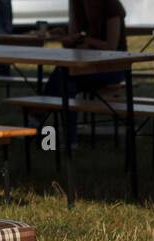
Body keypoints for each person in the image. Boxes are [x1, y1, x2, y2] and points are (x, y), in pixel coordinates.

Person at [41, 0, 128, 143]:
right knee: (66, 81)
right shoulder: (78, 5)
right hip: (87, 66)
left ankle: (39, 117)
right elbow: (74, 44)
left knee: (64, 76)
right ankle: (68, 138)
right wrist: (65, 37)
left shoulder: (111, 6)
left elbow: (111, 47)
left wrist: (86, 40)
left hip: (113, 67)